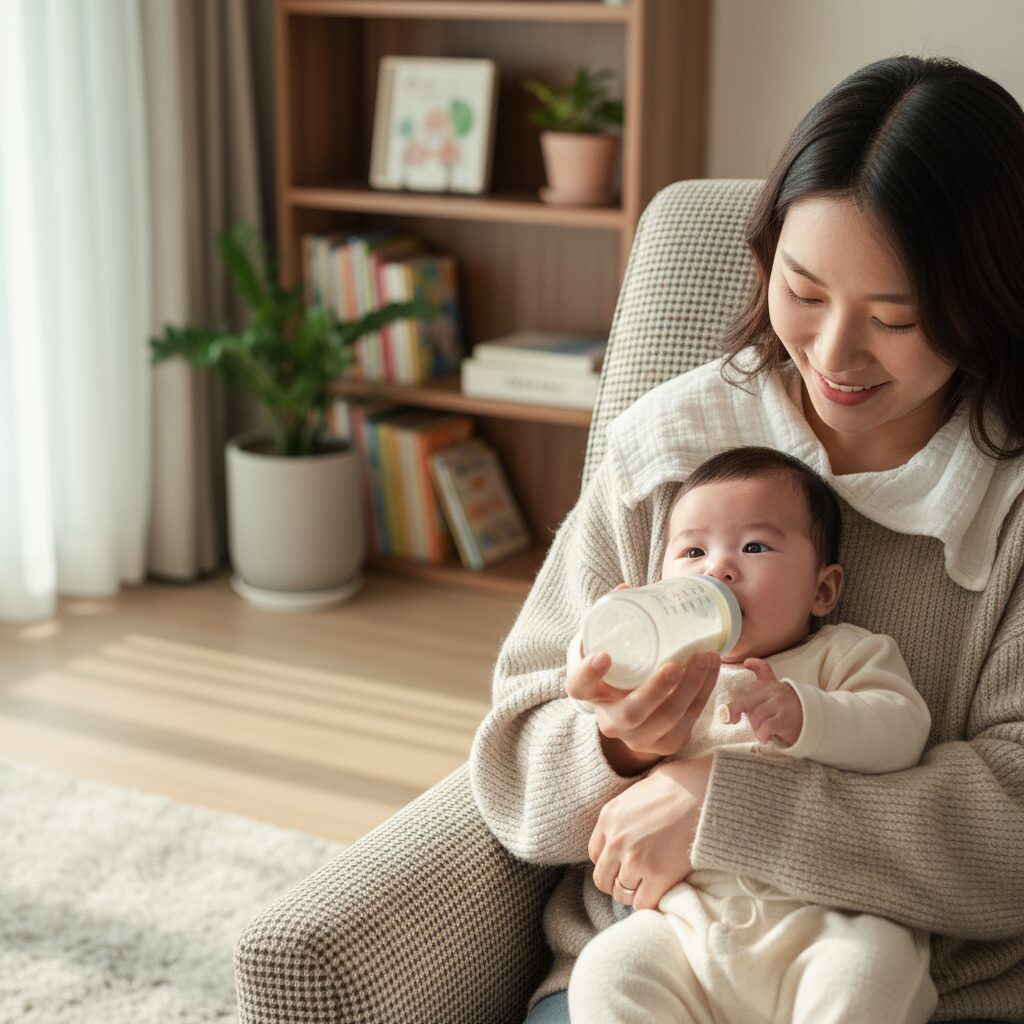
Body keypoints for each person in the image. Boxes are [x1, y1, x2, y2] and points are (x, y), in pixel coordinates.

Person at [468, 54, 1024, 1024]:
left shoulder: (1008, 511)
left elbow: (1013, 830)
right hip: (661, 952)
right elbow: (514, 757)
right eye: (804, 292)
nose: (834, 355)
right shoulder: (669, 453)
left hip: (914, 987)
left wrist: (727, 807)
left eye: (896, 318)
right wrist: (615, 743)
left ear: (985, 305)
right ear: (765, 256)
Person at [565, 446, 936, 1024]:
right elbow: (597, 685)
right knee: (609, 971)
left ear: (823, 591)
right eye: (693, 551)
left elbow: (903, 731)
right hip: (689, 922)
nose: (719, 569)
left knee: (868, 972)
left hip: (830, 917)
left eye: (754, 547)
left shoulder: (843, 654)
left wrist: (808, 713)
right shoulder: (670, 673)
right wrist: (603, 660)